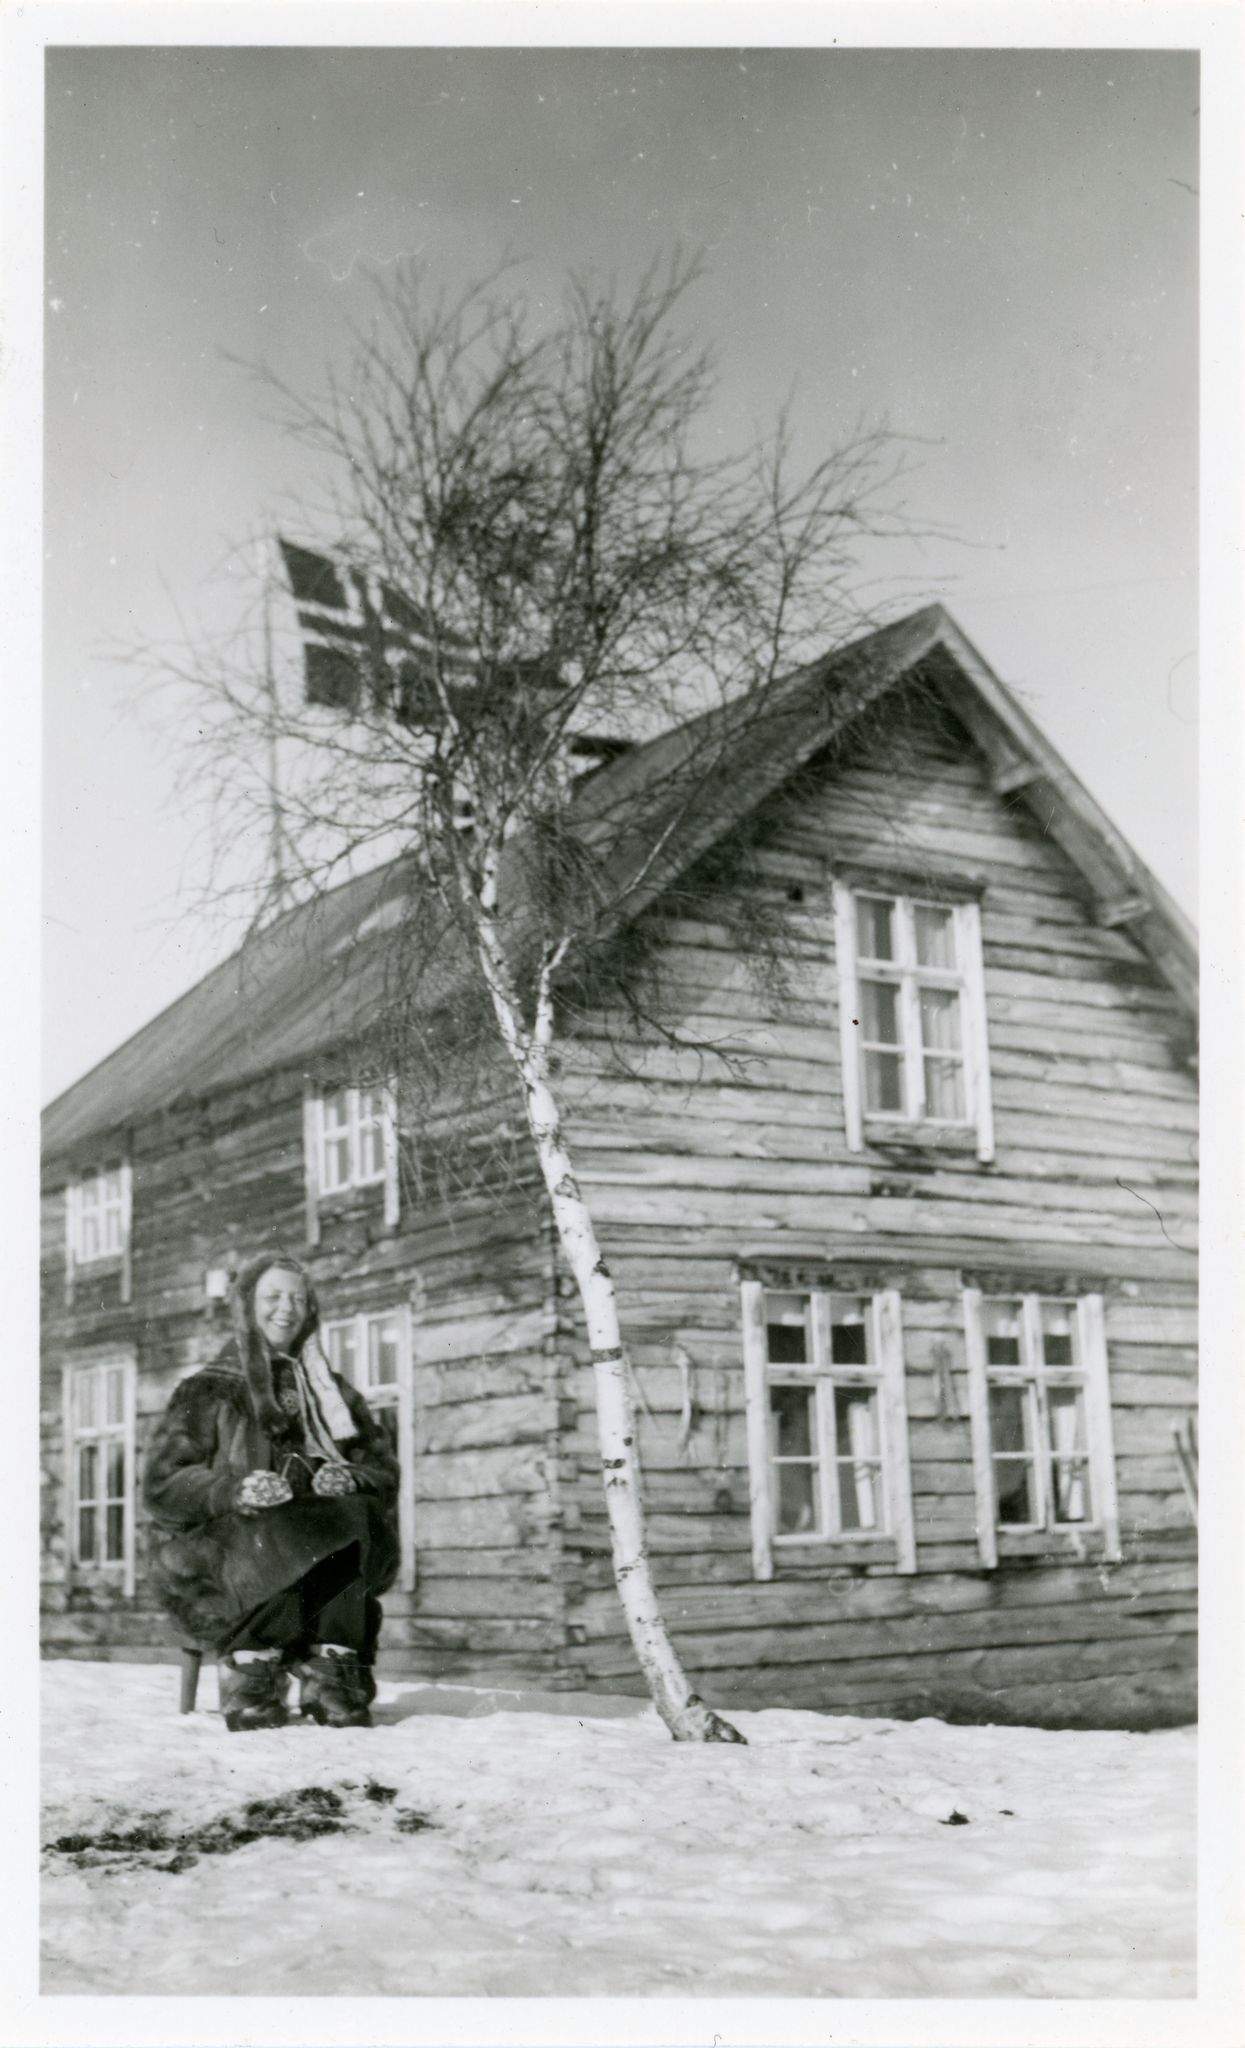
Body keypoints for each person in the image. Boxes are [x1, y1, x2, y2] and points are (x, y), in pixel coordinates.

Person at [143, 1251, 401, 1732]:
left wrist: (352, 1476)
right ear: (245, 1307)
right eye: (273, 1296)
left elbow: (382, 1471)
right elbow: (162, 1487)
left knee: (354, 1515)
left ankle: (332, 1665)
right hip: (220, 1553)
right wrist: (233, 1490)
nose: (287, 1308)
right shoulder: (208, 1390)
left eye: (298, 1298)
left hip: (314, 1552)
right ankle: (252, 1666)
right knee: (274, 1525)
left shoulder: (333, 1394)